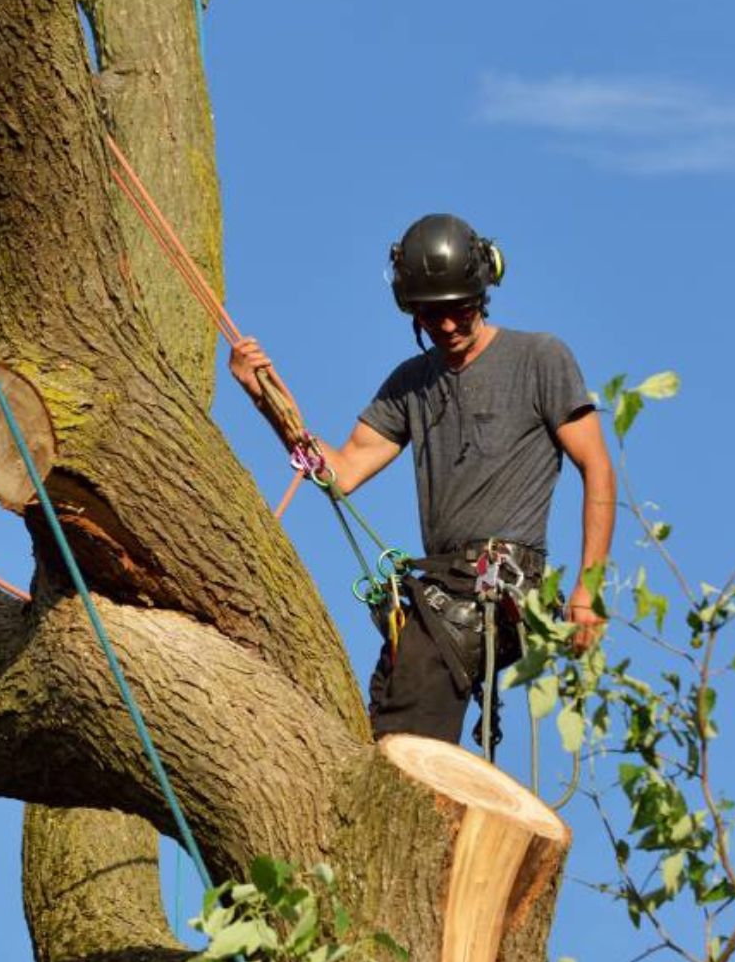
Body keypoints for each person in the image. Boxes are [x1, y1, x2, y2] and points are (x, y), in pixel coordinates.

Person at [228, 213, 616, 748]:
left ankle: (410, 811)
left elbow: (597, 467)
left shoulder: (539, 358)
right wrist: (264, 398)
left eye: (458, 311)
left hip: (501, 580)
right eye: (432, 317)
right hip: (440, 583)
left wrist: (588, 591)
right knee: (389, 704)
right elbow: (342, 471)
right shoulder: (412, 384)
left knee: (412, 713)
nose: (449, 328)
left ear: (483, 291)